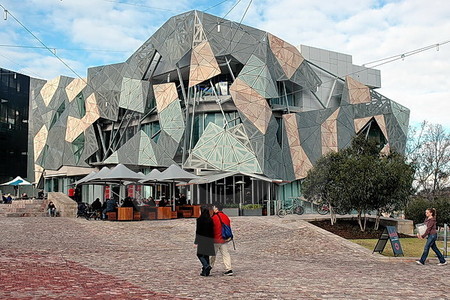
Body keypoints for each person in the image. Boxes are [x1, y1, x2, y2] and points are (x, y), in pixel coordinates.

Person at [210, 203, 233, 276]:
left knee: (212, 255)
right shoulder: (225, 217)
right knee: (226, 254)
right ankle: (229, 269)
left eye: (213, 207)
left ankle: (208, 268)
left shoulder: (214, 217)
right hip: (224, 239)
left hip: (216, 239)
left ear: (216, 208)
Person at [194, 206, 215, 276]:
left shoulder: (199, 219)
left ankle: (206, 266)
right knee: (206, 255)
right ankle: (206, 272)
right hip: (209, 239)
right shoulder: (210, 220)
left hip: (202, 239)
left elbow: (198, 231)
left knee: (199, 254)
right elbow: (212, 231)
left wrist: (196, 241)